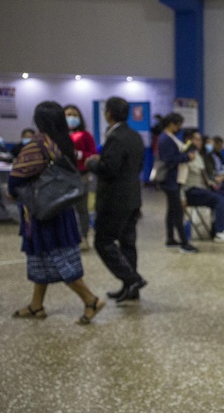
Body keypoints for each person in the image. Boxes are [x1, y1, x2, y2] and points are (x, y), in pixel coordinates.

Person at [7, 101, 105, 325]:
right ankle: (36, 305)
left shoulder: (38, 144)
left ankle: (90, 300)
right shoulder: (63, 143)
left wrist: (13, 191)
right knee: (41, 257)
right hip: (61, 209)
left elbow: (16, 178)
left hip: (42, 213)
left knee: (58, 259)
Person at [84, 97, 147, 303]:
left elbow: (109, 169)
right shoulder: (135, 136)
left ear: (108, 113)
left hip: (114, 200)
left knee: (103, 241)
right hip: (132, 198)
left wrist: (92, 164)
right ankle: (130, 288)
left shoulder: (116, 137)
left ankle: (132, 279)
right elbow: (135, 167)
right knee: (128, 243)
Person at [182, 129, 224, 243]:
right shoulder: (185, 155)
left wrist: (213, 184)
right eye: (197, 139)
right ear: (189, 140)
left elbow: (203, 176)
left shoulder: (198, 155)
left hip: (201, 188)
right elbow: (180, 179)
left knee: (223, 195)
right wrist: (182, 198)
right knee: (218, 199)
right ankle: (219, 232)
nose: (200, 142)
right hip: (190, 191)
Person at [157, 113, 199, 253]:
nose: (180, 128)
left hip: (174, 179)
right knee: (178, 211)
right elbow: (169, 159)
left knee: (171, 210)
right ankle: (184, 242)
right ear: (172, 124)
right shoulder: (165, 139)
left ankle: (170, 238)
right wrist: (187, 156)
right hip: (170, 180)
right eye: (179, 124)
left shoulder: (170, 138)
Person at [64, 104, 97, 252]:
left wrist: (80, 155)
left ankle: (84, 237)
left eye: (74, 115)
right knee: (64, 209)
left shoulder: (85, 135)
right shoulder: (59, 135)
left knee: (82, 209)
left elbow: (93, 154)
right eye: (68, 115)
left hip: (81, 176)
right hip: (63, 176)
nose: (71, 118)